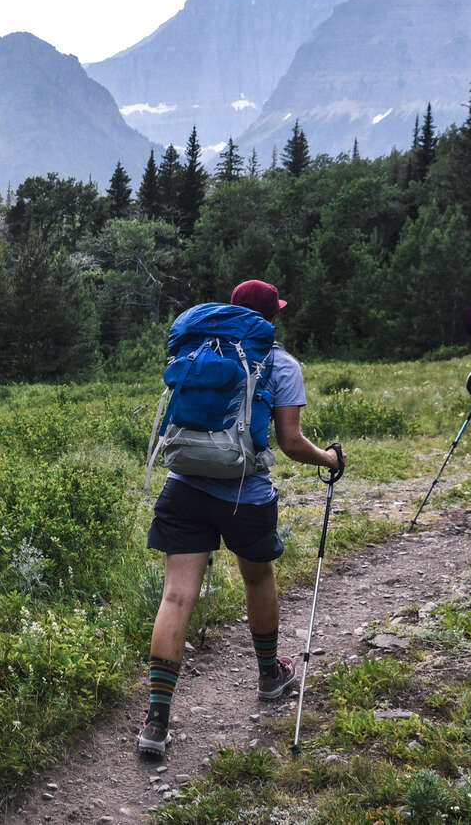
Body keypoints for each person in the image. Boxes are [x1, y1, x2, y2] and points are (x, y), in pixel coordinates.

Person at [138, 279, 345, 757]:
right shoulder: (282, 362)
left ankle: (156, 721)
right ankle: (270, 675)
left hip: (184, 484)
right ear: (270, 317)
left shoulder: (198, 348)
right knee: (257, 580)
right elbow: (291, 444)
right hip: (246, 495)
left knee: (175, 594)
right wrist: (331, 460)